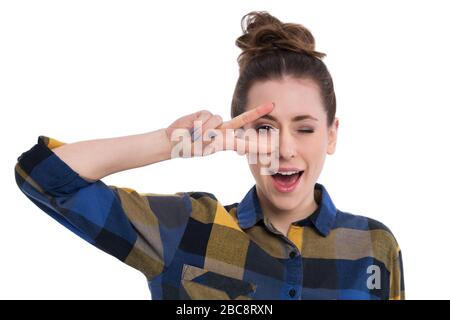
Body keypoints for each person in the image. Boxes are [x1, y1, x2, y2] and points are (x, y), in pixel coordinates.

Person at [14, 11, 404, 300]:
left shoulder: (374, 246)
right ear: (239, 133)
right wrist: (170, 143)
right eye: (264, 129)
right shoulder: (187, 227)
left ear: (331, 135)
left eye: (304, 128)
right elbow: (42, 175)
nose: (285, 149)